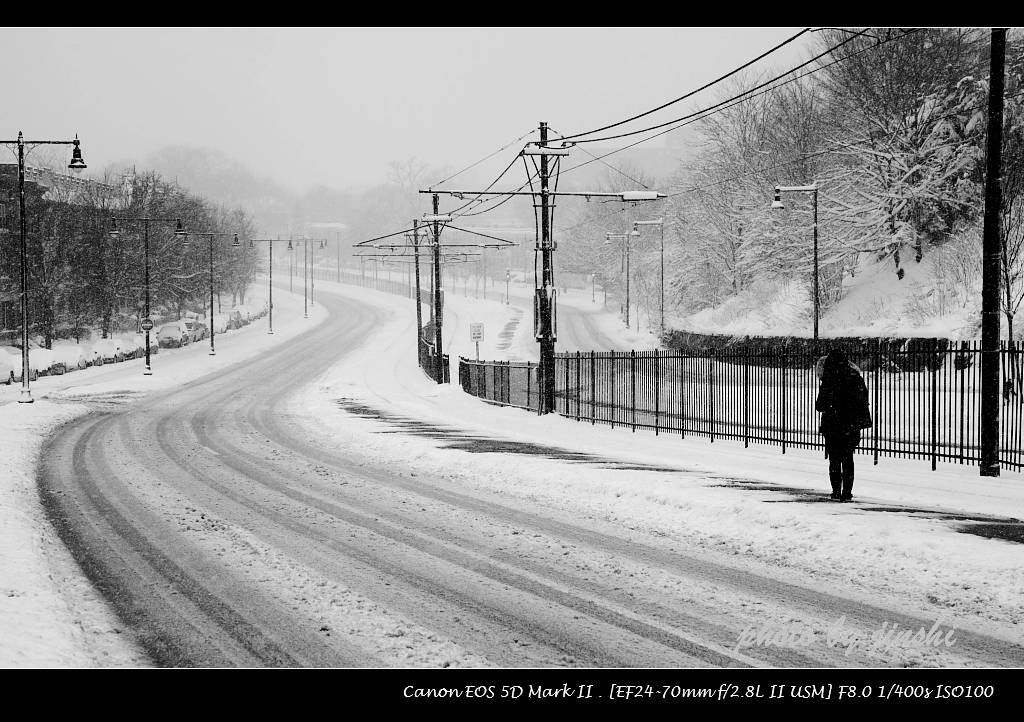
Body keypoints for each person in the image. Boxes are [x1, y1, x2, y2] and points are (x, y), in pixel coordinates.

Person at [815, 348, 872, 501]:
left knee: (834, 459)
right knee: (848, 458)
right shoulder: (856, 378)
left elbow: (820, 405)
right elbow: (863, 401)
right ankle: (847, 492)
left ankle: (835, 491)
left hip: (833, 426)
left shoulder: (829, 379)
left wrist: (832, 406)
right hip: (851, 425)